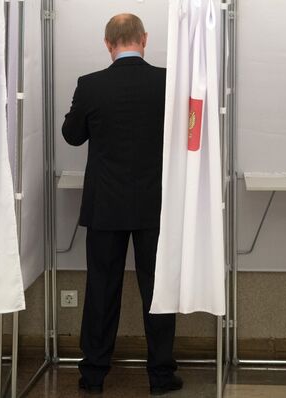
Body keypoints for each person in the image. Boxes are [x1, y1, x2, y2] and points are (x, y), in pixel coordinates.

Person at [62, 13, 182, 396]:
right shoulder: (168, 83)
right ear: (144, 39)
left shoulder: (91, 85)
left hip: (105, 207)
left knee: (101, 289)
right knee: (157, 291)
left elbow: (71, 136)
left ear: (107, 43)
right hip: (154, 205)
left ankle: (93, 375)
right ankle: (161, 376)